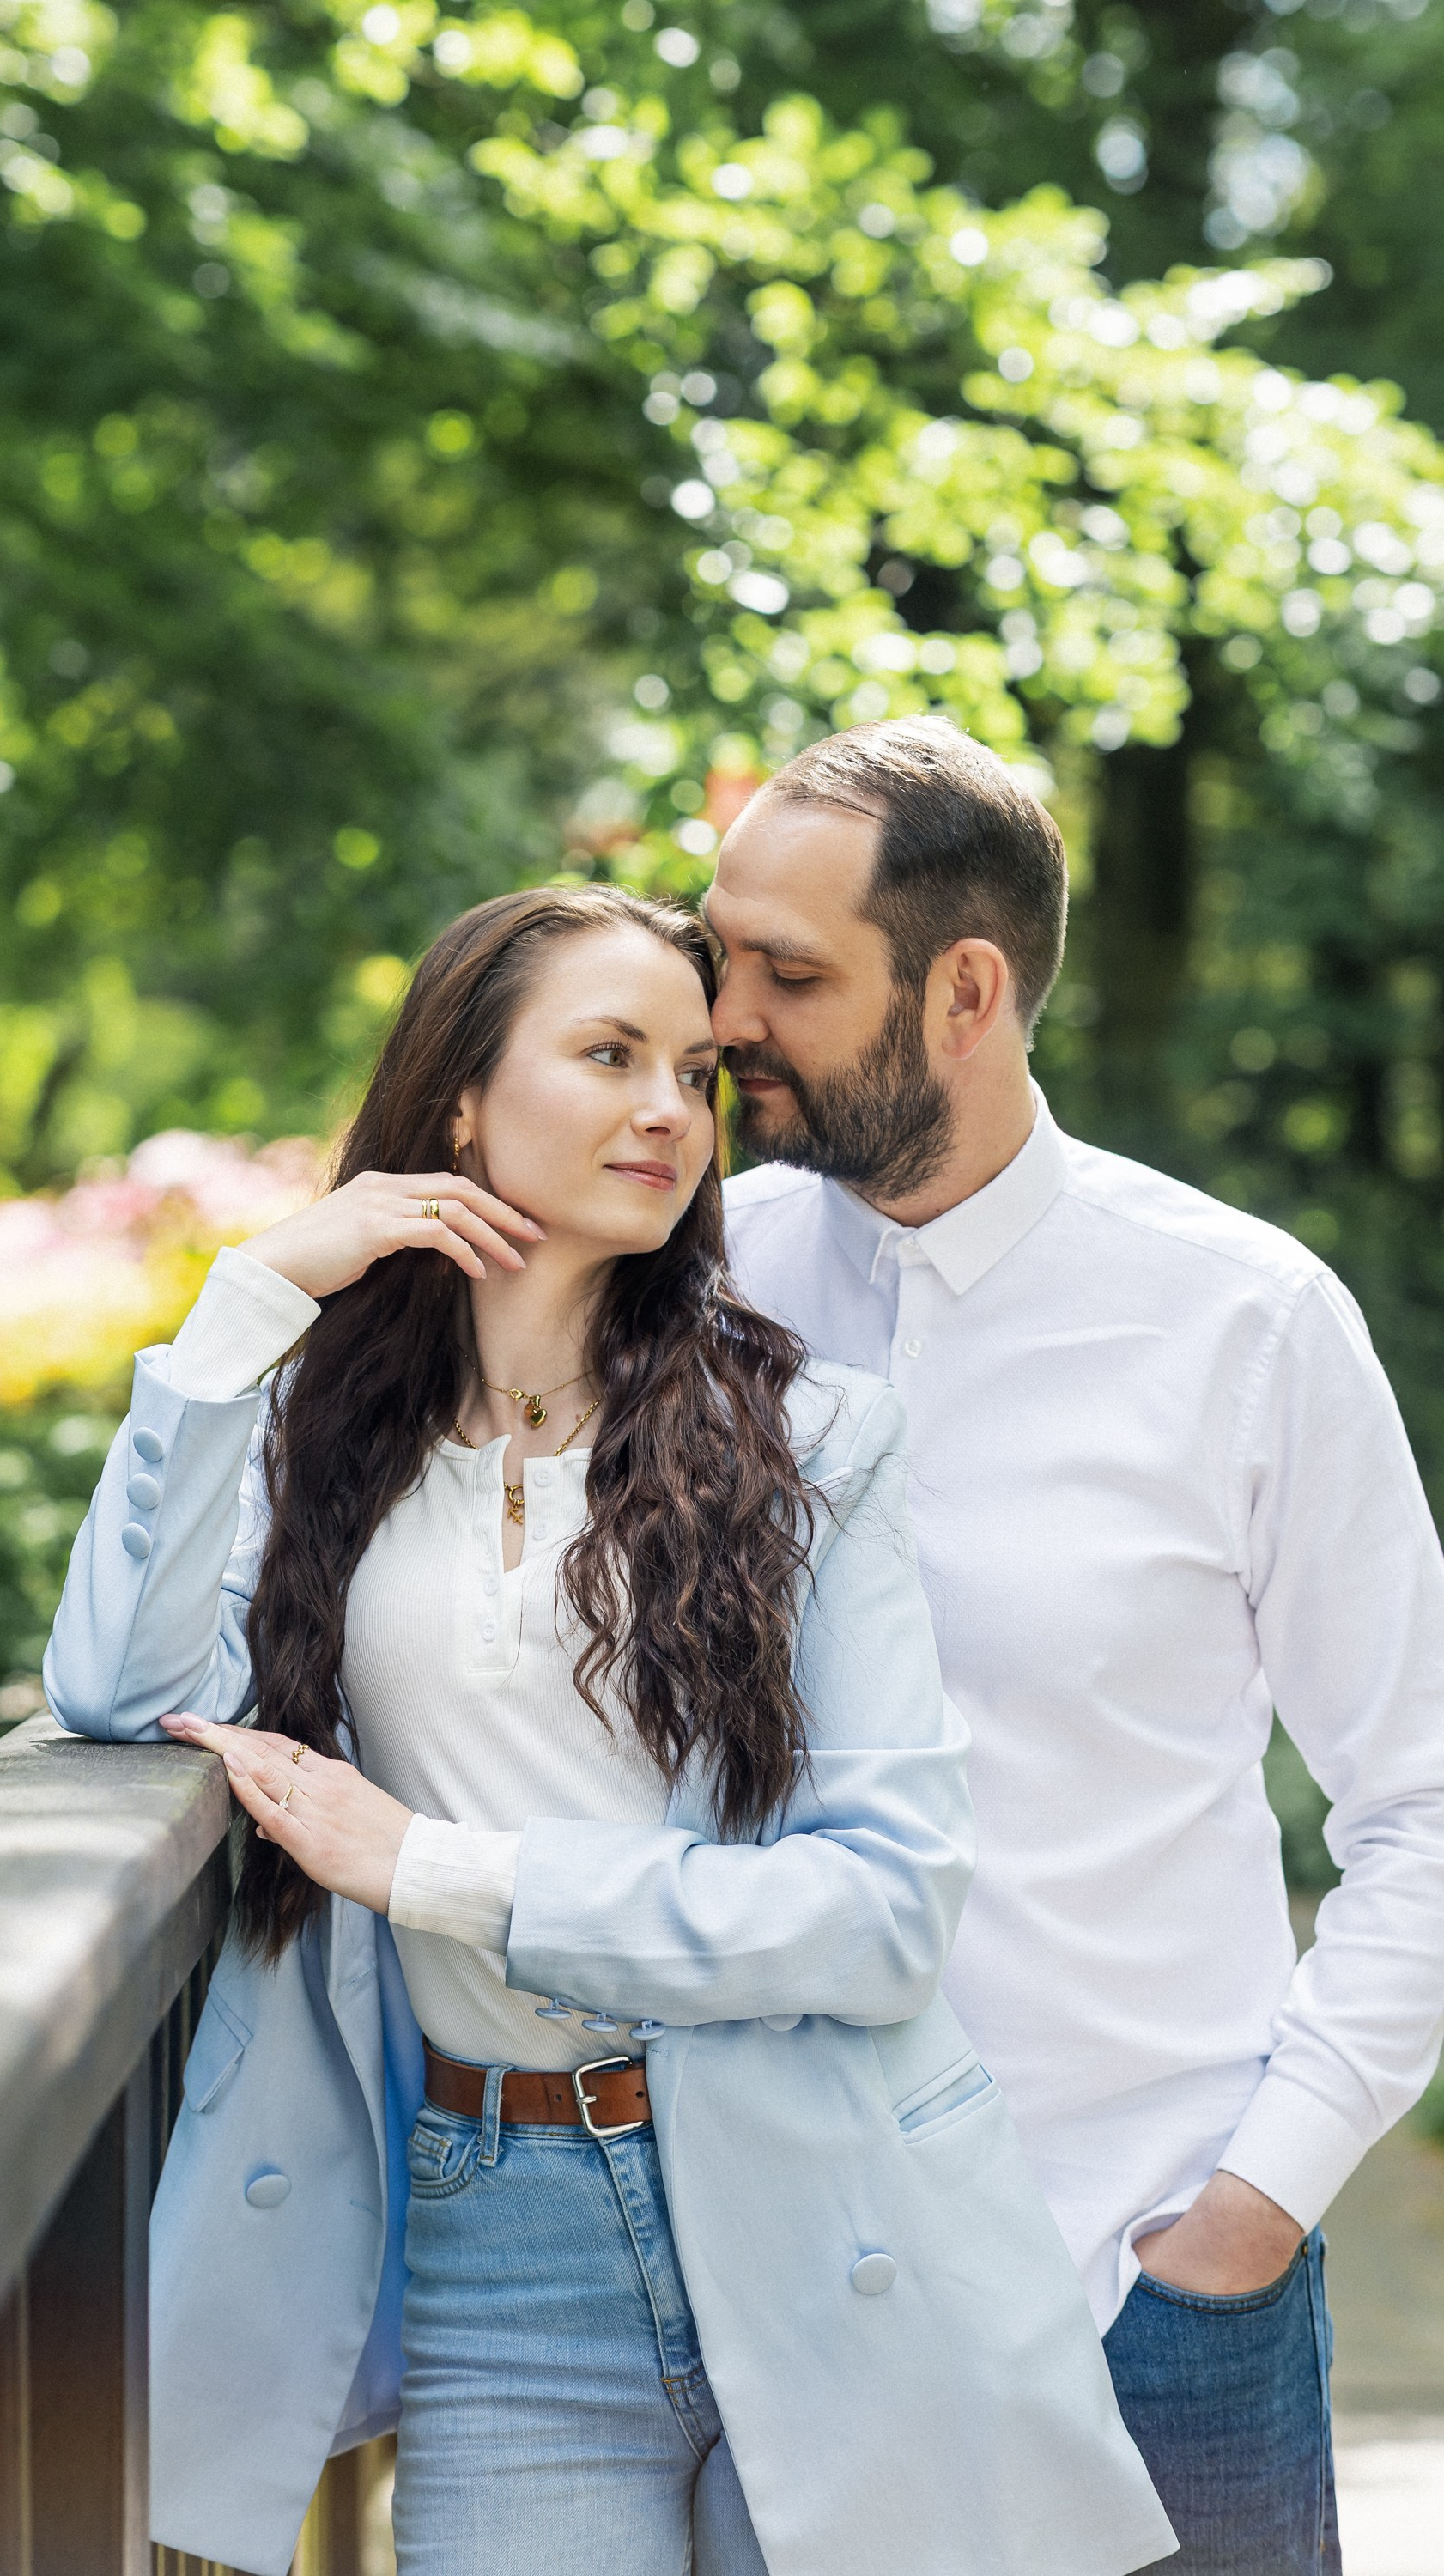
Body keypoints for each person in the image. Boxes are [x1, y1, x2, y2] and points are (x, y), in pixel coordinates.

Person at [44, 884, 1174, 2576]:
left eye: (692, 1074)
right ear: (457, 1104)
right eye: (607, 1054)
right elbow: (122, 1693)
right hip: (495, 2232)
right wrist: (249, 1300)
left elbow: (882, 1910)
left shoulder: (810, 1437)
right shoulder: (307, 1440)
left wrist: (437, 1868)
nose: (666, 1109)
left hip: (828, 2214)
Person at [709, 714, 1444, 2576]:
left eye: (786, 975)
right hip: (764, 2300)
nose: (722, 1017)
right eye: (719, 953)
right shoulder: (697, 1282)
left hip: (1142, 2285)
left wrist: (1247, 2215)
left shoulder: (1242, 1322)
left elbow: (1425, 1808)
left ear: (965, 992)